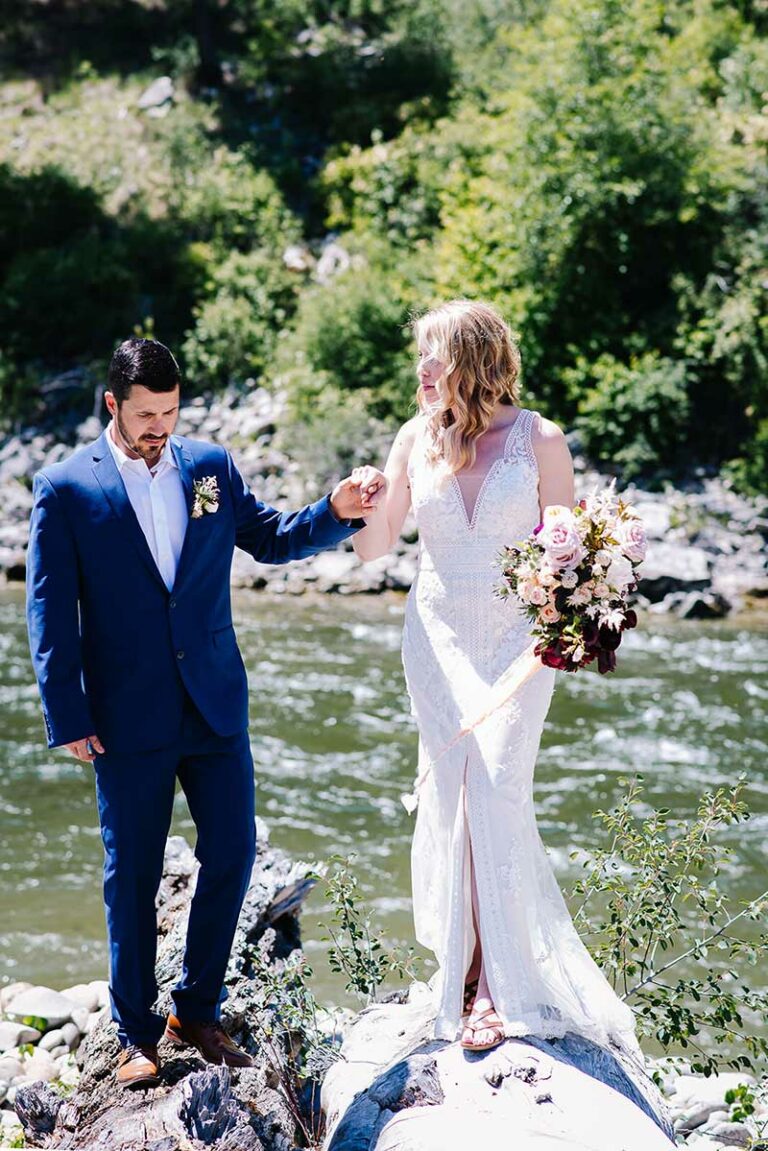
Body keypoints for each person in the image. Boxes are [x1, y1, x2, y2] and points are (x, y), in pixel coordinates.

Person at [26, 337, 384, 1088]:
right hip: (123, 717)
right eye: (146, 414)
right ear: (112, 406)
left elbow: (270, 537)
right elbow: (49, 611)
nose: (161, 426)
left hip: (215, 703)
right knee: (131, 874)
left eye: (171, 412)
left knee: (232, 853)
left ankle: (196, 1006)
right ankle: (133, 1030)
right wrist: (68, 713)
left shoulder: (210, 467)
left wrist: (335, 512)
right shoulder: (65, 488)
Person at [351, 299, 639, 1056]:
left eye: (432, 355)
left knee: (498, 783)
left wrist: (567, 624)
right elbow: (374, 551)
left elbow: (568, 552)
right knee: (455, 791)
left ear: (472, 360)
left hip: (518, 641)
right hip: (437, 635)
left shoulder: (541, 439)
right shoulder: (414, 437)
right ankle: (467, 970)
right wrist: (365, 502)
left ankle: (491, 985)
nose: (420, 370)